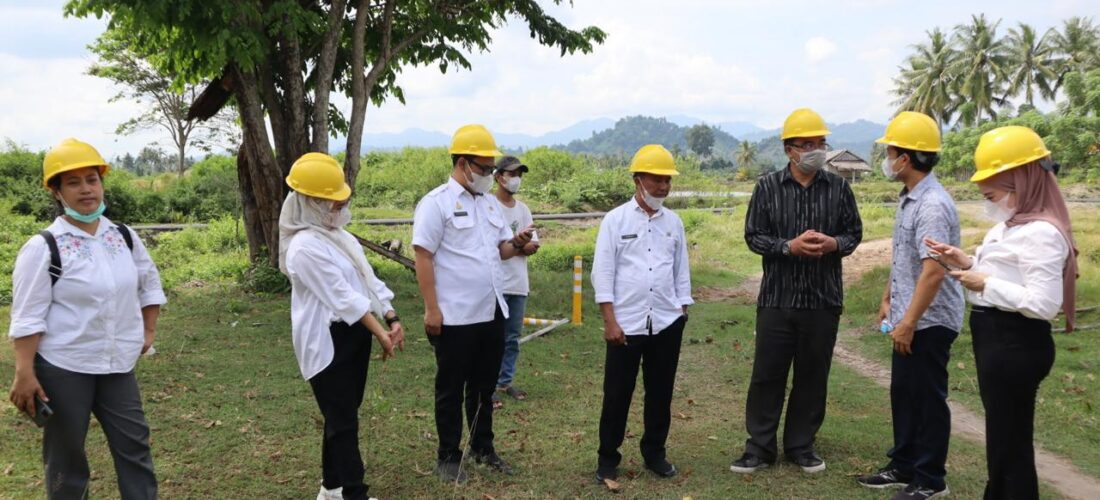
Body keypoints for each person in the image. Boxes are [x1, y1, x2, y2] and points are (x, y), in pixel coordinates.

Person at [8, 138, 165, 499]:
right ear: (57, 191)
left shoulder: (122, 236)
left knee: (135, 447)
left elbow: (149, 285)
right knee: (67, 459)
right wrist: (25, 372)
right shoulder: (45, 246)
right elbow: (28, 315)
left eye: (91, 179)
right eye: (73, 182)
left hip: (117, 365)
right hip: (66, 366)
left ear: (102, 183)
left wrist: (147, 332)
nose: (86, 190)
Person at [926, 126, 1077, 500]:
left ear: (1021, 183)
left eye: (992, 195)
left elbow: (1044, 304)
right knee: (1003, 437)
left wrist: (984, 285)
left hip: (1015, 342)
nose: (988, 203)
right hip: (997, 338)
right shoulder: (1011, 226)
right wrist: (966, 259)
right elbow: (1009, 270)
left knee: (1009, 442)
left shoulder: (1041, 232)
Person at [732, 108, 863, 474]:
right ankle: (759, 447)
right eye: (807, 144)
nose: (816, 150)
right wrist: (788, 247)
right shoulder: (767, 187)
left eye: (820, 142)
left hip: (822, 300)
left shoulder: (838, 188)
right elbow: (753, 236)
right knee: (767, 374)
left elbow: (854, 233)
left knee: (812, 375)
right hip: (778, 298)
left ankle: (801, 446)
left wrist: (833, 244)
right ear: (790, 150)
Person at [279, 152, 405, 500]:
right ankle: (354, 493)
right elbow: (342, 298)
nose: (340, 209)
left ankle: (330, 488)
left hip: (353, 336)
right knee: (344, 420)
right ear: (311, 204)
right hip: (327, 341)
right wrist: (380, 332)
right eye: (334, 204)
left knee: (341, 415)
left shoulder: (340, 236)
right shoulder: (303, 248)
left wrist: (391, 315)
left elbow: (367, 279)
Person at [412, 124, 534, 483]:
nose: (488, 175)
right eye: (483, 168)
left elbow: (502, 251)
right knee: (450, 387)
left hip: (492, 311)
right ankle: (448, 455)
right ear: (463, 163)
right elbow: (423, 256)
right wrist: (431, 308)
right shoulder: (437, 203)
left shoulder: (489, 206)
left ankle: (483, 446)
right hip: (455, 315)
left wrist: (519, 241)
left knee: (483, 387)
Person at [857, 112, 963, 500]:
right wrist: (888, 299)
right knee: (904, 392)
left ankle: (931, 478)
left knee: (927, 397)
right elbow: (906, 257)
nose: (887, 157)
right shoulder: (909, 199)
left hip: (930, 320)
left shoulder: (932, 204)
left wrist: (910, 321)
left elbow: (933, 272)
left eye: (891, 150)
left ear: (907, 157)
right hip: (909, 314)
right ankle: (903, 464)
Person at [591, 144, 693, 484]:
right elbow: (603, 272)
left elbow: (681, 269)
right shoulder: (615, 220)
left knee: (660, 392)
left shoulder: (673, 222)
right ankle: (607, 459)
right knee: (617, 393)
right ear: (638, 180)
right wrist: (609, 320)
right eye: (656, 179)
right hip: (626, 324)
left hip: (666, 320)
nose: (663, 187)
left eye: (667, 180)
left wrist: (682, 308)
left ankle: (655, 454)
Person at [490, 156, 540, 410]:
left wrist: (515, 245)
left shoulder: (523, 210)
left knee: (512, 338)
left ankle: (504, 382)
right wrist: (518, 244)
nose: (516, 179)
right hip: (495, 284)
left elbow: (534, 245)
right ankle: (487, 386)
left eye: (519, 173)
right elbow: (493, 248)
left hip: (518, 283)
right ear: (499, 177)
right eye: (512, 174)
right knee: (491, 338)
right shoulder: (488, 206)